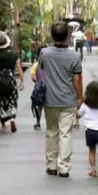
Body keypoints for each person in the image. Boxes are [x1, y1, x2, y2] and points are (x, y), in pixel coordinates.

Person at [37, 21, 83, 177]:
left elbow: (40, 72)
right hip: (68, 100)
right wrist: (80, 97)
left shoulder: (44, 53)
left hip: (49, 99)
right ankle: (63, 167)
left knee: (51, 132)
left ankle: (51, 165)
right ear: (68, 36)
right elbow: (77, 80)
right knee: (65, 134)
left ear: (52, 35)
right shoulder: (74, 56)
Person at [77, 81, 98, 178]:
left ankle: (93, 170)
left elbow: (78, 115)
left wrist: (77, 110)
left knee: (92, 150)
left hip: (90, 131)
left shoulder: (85, 105)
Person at [0, 31, 22, 133]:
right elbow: (19, 68)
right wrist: (22, 81)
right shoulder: (14, 54)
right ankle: (12, 119)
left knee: (1, 102)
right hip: (11, 80)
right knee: (12, 100)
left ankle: (3, 126)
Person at [29, 49, 45, 130]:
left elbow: (33, 77)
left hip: (40, 87)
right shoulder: (51, 64)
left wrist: (38, 82)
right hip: (51, 87)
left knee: (39, 106)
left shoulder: (36, 65)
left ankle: (38, 123)